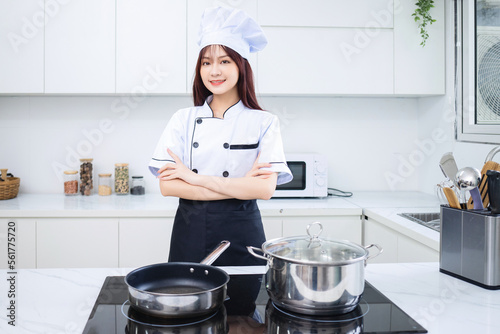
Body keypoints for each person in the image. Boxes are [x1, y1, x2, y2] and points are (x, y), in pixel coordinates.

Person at [148, 6, 292, 266]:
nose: (214, 71)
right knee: (188, 302)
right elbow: (168, 186)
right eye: (206, 62)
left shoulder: (264, 122)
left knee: (245, 306)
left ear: (241, 66)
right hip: (190, 234)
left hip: (243, 236)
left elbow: (265, 188)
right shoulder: (183, 119)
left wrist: (193, 179)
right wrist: (239, 186)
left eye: (224, 61)